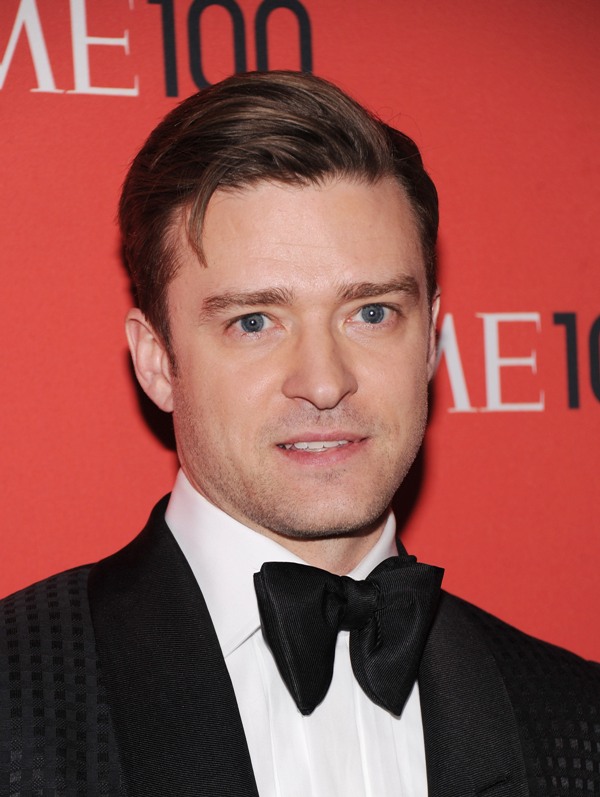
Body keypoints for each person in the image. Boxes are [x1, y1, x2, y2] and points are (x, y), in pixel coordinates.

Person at [1, 71, 598, 797]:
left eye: (371, 313)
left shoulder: (575, 720)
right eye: (254, 322)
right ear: (157, 361)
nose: (324, 381)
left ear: (432, 339)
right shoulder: (20, 698)